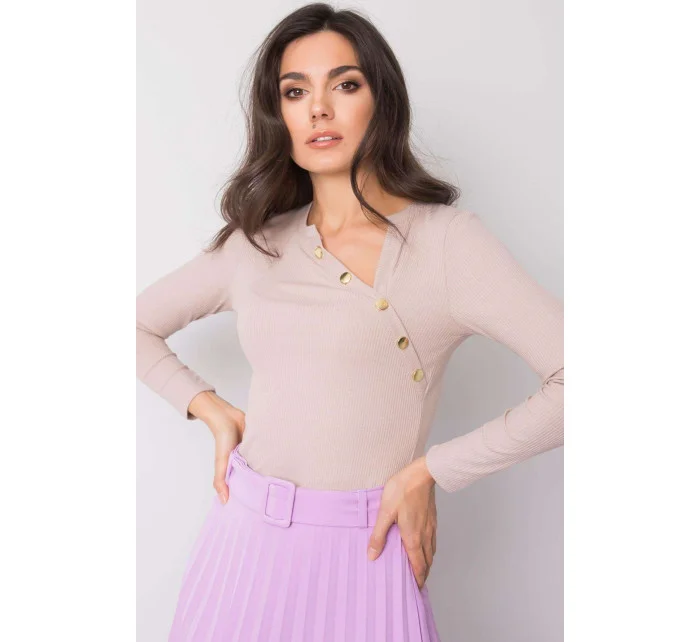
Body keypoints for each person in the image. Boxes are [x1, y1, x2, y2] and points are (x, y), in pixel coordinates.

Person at [136, 4, 564, 640]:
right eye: (294, 91)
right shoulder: (256, 245)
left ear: (380, 100)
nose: (318, 109)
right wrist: (210, 408)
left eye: (344, 84)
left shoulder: (447, 244)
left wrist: (432, 470)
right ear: (278, 116)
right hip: (240, 550)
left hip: (367, 554)